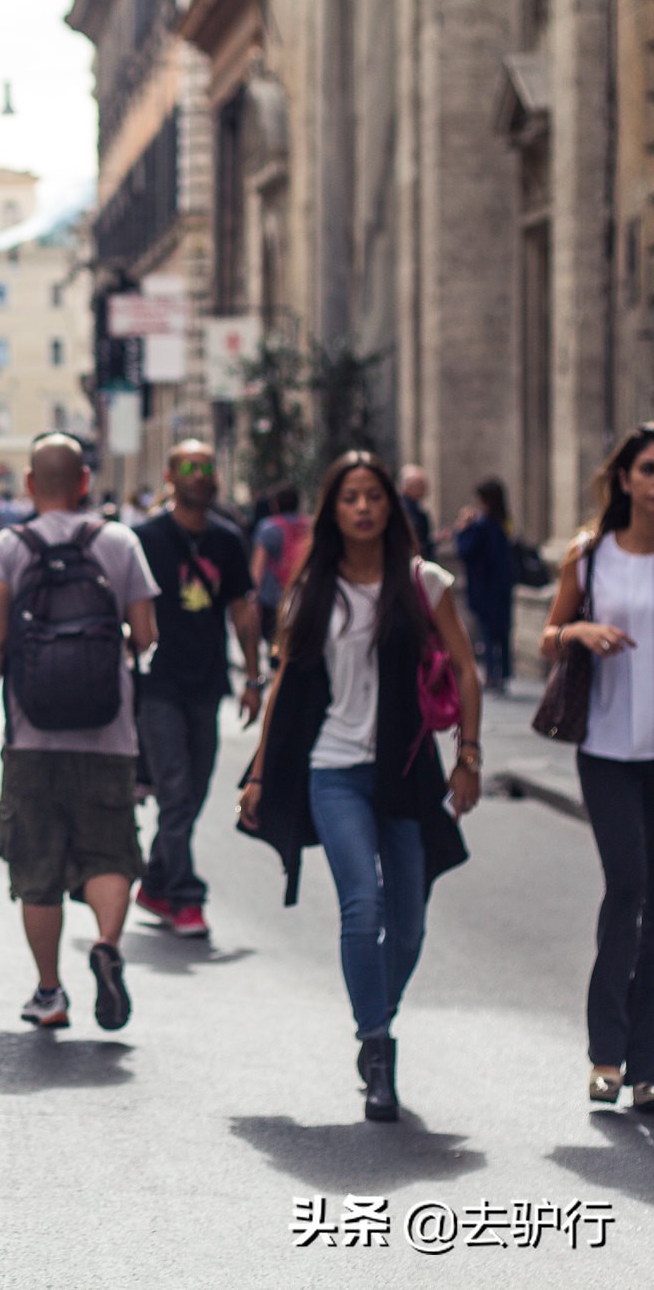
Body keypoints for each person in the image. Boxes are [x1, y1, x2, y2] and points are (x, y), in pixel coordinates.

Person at [238, 451, 480, 1123]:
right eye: (351, 497)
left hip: (404, 769)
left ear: (389, 506)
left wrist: (469, 755)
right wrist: (259, 772)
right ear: (333, 510)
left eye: (375, 495)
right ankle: (377, 1048)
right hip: (332, 767)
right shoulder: (312, 585)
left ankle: (378, 1010)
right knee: (363, 906)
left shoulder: (422, 583)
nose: (365, 507)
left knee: (408, 922)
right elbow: (286, 680)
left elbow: (465, 669)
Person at [0, 434, 160, 1033]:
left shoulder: (8, 548)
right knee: (110, 851)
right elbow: (146, 633)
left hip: (33, 735)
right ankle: (104, 942)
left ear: (29, 485)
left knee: (37, 869)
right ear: (83, 482)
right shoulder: (119, 541)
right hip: (108, 733)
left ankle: (50, 992)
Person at [539, 425, 654, 1110]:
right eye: (648, 469)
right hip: (608, 749)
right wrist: (579, 631)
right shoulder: (590, 555)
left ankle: (646, 1062)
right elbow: (549, 637)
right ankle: (605, 1052)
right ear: (626, 481)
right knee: (629, 885)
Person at [131, 441, 264, 939]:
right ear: (170, 476)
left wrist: (252, 679)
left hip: (208, 685)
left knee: (198, 790)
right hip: (159, 682)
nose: (201, 476)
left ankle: (156, 881)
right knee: (175, 793)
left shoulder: (228, 540)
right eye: (191, 467)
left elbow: (242, 610)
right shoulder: (145, 538)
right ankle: (186, 896)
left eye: (208, 468)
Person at [452, 478, 516, 693]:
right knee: (501, 630)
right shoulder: (502, 522)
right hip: (501, 586)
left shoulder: (481, 525)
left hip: (483, 586)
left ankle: (491, 674)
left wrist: (461, 528)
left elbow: (464, 551)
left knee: (487, 632)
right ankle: (503, 671)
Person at [249, 484, 311, 645]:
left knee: (275, 645)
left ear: (275, 504)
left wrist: (253, 598)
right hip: (305, 594)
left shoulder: (268, 527)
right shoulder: (310, 525)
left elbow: (258, 565)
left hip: (273, 597)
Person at [400, 464, 437, 563]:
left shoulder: (414, 508)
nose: (425, 489)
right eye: (421, 485)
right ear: (410, 486)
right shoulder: (404, 509)